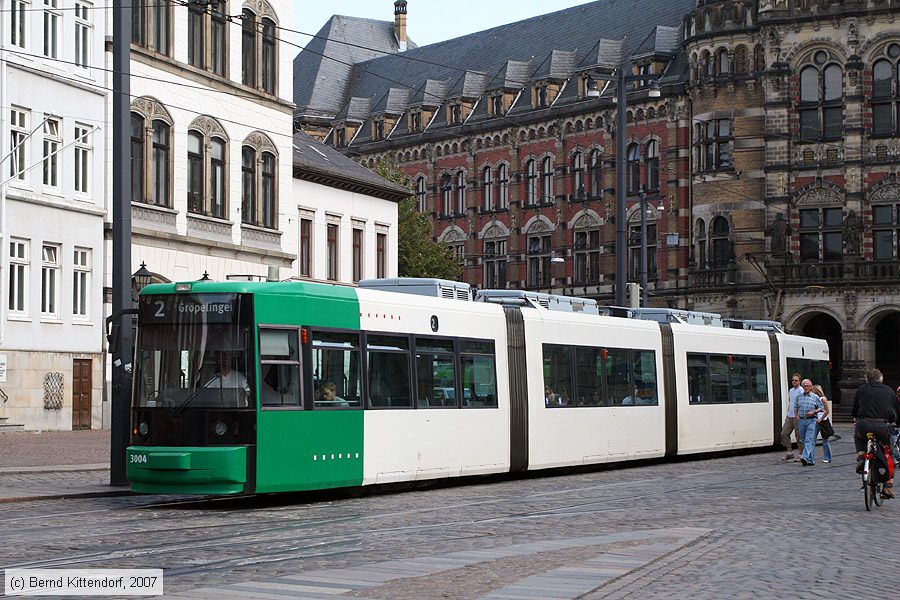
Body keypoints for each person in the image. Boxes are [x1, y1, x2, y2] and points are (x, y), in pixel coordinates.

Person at [852, 369, 898, 498]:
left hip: (863, 424)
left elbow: (855, 409)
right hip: (882, 426)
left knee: (858, 437)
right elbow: (897, 409)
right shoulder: (889, 391)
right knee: (890, 452)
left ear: (868, 380)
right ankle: (888, 486)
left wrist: (857, 417)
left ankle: (862, 456)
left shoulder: (861, 389)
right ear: (881, 379)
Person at [796, 378, 824, 466]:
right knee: (804, 440)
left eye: (807, 386)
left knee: (808, 439)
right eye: (804, 386)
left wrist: (814, 412)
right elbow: (796, 407)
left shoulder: (815, 397)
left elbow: (821, 407)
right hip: (801, 420)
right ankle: (811, 460)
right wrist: (796, 416)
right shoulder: (799, 396)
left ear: (811, 387)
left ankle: (804, 457)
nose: (806, 387)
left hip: (811, 420)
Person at [780, 373, 803, 461]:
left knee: (798, 436)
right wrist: (788, 413)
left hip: (797, 416)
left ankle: (801, 454)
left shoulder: (801, 390)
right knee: (784, 433)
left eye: (796, 380)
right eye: (792, 380)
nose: (794, 381)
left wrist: (799, 415)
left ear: (799, 381)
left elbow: (801, 404)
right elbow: (791, 402)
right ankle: (789, 452)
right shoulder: (791, 390)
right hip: (790, 415)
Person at [812, 384, 832, 464]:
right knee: (812, 439)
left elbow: (827, 411)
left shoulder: (822, 399)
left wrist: (820, 418)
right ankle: (810, 457)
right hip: (815, 421)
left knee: (825, 440)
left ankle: (827, 457)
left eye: (813, 390)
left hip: (822, 421)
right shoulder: (814, 399)